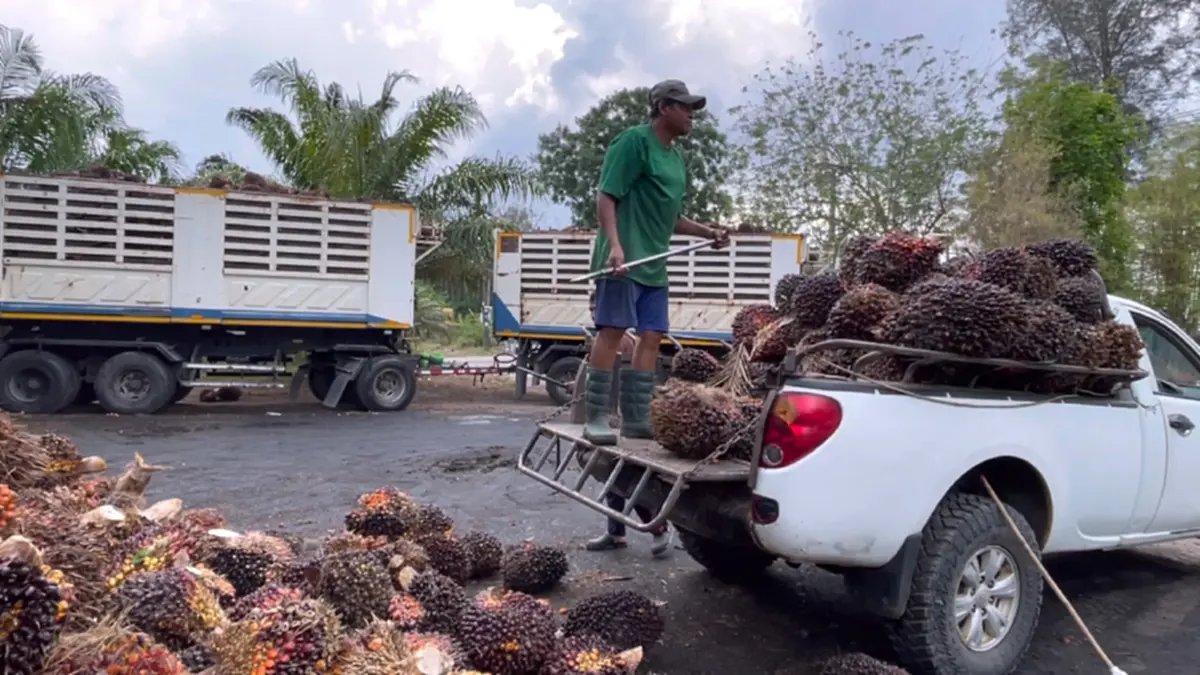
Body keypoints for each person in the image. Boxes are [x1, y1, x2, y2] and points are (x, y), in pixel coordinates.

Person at [581, 79, 729, 554]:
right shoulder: (634, 143)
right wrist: (615, 245)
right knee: (612, 330)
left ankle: (637, 418)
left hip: (655, 266)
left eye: (694, 108)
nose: (692, 115)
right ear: (663, 107)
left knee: (652, 335)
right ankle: (598, 416)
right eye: (685, 107)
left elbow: (671, 219)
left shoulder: (675, 159)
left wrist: (708, 232)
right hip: (624, 260)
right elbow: (607, 196)